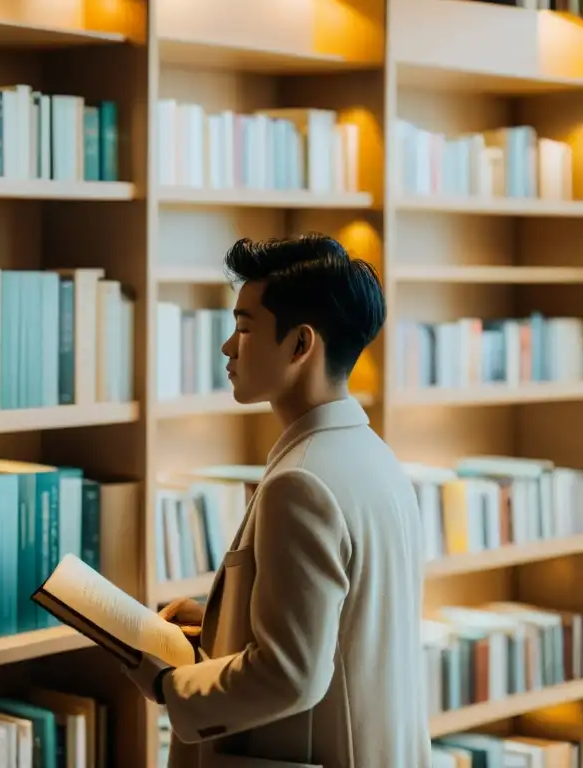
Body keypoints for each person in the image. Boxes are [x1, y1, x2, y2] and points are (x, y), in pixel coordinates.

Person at [125, 234, 430, 767]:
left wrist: (172, 684)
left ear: (299, 345)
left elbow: (292, 675)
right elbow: (344, 628)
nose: (228, 346)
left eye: (244, 327)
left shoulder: (302, 483)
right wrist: (224, 622)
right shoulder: (373, 456)